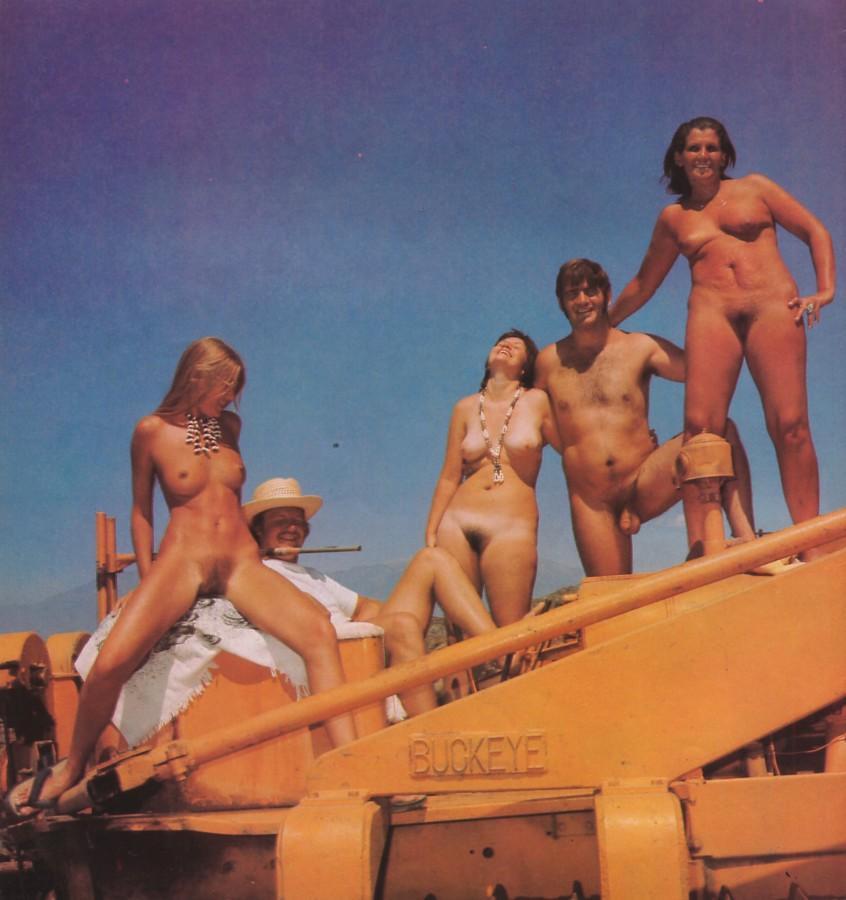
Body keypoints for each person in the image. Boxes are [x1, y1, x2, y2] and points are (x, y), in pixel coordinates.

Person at [6, 338, 357, 818]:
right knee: (110, 664)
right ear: (197, 376)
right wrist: (149, 579)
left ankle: (351, 763)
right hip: (183, 561)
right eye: (225, 386)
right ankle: (72, 767)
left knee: (318, 632)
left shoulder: (230, 427)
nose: (231, 397)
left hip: (240, 562)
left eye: (236, 389)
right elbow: (141, 512)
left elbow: (226, 498)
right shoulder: (150, 431)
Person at [608, 117, 835, 560]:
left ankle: (809, 542)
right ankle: (706, 550)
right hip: (713, 313)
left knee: (790, 426)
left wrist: (825, 289)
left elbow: (814, 230)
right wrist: (606, 322)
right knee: (700, 432)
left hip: (773, 306)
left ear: (724, 154)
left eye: (712, 148)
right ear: (679, 157)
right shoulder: (674, 218)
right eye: (694, 148)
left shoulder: (756, 188)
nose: (703, 156)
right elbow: (644, 281)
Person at [536, 258, 757, 576]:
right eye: (573, 294)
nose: (582, 300)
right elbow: (527, 421)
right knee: (610, 597)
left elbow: (700, 368)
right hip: (591, 500)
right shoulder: (548, 362)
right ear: (562, 303)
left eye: (591, 291)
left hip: (643, 481)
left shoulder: (639, 346)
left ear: (607, 295)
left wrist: (731, 318)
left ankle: (747, 539)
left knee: (721, 430)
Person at [244, 477, 497, 716]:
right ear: (259, 530)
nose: (291, 528)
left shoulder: (312, 575)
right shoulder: (258, 574)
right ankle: (430, 727)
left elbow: (368, 607)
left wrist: (370, 630)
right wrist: (386, 630)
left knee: (431, 559)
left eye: (298, 522)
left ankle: (498, 647)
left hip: (358, 645)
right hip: (332, 661)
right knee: (402, 626)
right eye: (280, 521)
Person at [425, 330, 560, 626]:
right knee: (458, 633)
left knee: (512, 629)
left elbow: (574, 450)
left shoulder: (537, 401)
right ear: (487, 361)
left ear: (525, 367)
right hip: (456, 523)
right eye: (501, 342)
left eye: (517, 346)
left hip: (511, 524)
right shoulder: (464, 408)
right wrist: (431, 531)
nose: (506, 345)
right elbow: (449, 477)